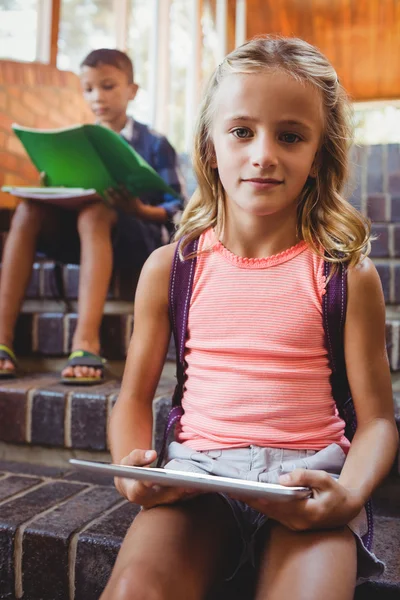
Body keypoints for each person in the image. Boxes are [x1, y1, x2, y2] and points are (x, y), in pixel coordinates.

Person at [102, 36, 398, 600]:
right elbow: (135, 398)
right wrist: (127, 469)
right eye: (242, 131)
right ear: (211, 145)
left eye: (290, 136)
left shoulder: (346, 276)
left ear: (318, 154)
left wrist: (350, 493)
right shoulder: (170, 268)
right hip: (197, 479)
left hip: (309, 479)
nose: (263, 153)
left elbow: (379, 421)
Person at [0, 48, 184, 384]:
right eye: (88, 89)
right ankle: (3, 341)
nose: (97, 96)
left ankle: (86, 341)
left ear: (132, 90)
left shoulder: (155, 143)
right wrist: (55, 186)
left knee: (96, 212)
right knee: (28, 208)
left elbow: (183, 211)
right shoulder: (79, 142)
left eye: (108, 86)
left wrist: (138, 209)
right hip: (87, 236)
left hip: (137, 237)